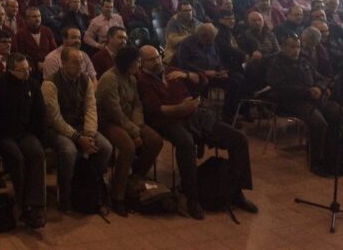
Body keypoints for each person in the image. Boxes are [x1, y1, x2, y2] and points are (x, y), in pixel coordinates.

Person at [137, 45, 257, 220]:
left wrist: (186, 75)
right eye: (151, 59)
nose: (157, 61)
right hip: (167, 121)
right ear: (142, 63)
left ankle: (235, 191)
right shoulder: (143, 81)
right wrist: (180, 108)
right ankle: (192, 197)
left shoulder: (172, 70)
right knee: (186, 143)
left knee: (238, 139)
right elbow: (154, 110)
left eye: (158, 57)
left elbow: (203, 80)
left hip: (195, 116)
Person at [42, 46, 112, 213]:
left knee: (105, 147)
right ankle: (65, 196)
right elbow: (55, 119)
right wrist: (78, 138)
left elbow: (90, 107)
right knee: (69, 151)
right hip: (55, 129)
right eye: (75, 62)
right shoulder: (50, 84)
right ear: (64, 63)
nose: (80, 66)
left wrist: (89, 133)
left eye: (81, 62)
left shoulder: (85, 79)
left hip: (80, 126)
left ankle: (91, 187)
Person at [96, 46, 162, 216]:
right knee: (128, 147)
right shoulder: (109, 79)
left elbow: (137, 105)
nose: (139, 65)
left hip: (129, 121)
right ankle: (118, 195)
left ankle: (133, 177)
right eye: (137, 62)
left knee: (155, 141)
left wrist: (138, 126)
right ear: (128, 63)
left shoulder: (131, 78)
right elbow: (115, 112)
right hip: (108, 122)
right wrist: (134, 133)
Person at [0, 53, 47, 228]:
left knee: (37, 153)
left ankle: (34, 205)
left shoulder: (32, 85)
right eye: (22, 71)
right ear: (10, 70)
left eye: (28, 69)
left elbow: (40, 114)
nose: (26, 73)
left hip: (25, 133)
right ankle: (23, 205)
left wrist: (39, 138)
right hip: (4, 135)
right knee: (17, 159)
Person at [268, 34, 342, 176]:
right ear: (283, 47)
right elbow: (280, 89)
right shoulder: (275, 64)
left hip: (313, 98)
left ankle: (333, 157)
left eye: (298, 47)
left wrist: (320, 88)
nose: (296, 50)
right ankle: (316, 162)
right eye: (292, 47)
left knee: (337, 113)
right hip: (292, 102)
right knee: (319, 123)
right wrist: (307, 91)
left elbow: (320, 78)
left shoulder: (304, 62)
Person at [12, 6, 58, 74]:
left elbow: (54, 50)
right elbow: (20, 55)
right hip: (30, 70)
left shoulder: (47, 31)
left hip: (48, 66)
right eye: (34, 17)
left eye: (39, 16)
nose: (37, 19)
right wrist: (36, 64)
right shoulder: (20, 34)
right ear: (27, 19)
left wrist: (48, 63)